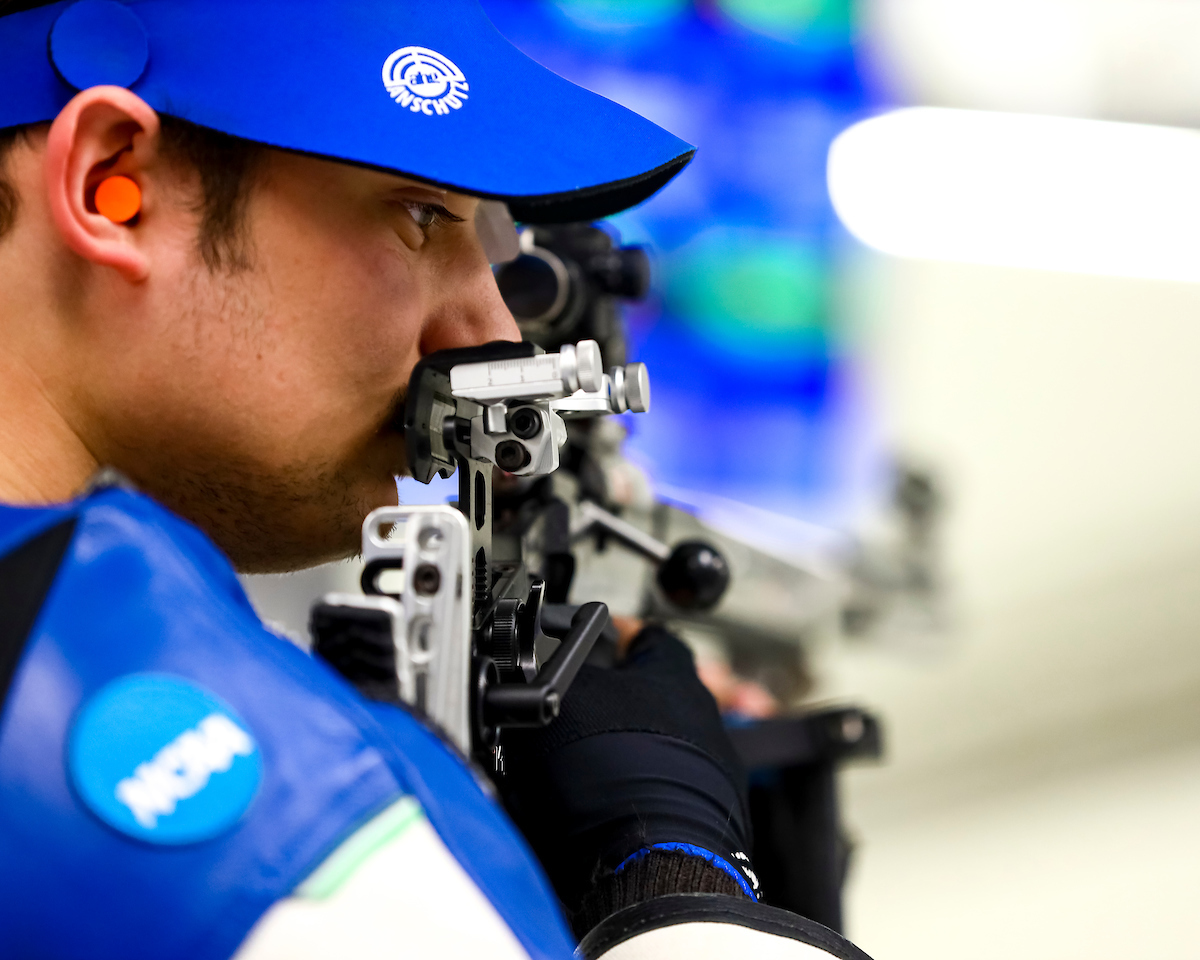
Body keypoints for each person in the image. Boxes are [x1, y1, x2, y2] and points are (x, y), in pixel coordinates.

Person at [0, 1, 875, 958]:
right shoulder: (140, 701)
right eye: (423, 216)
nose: (495, 335)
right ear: (109, 182)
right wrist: (678, 882)